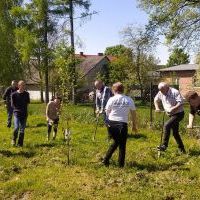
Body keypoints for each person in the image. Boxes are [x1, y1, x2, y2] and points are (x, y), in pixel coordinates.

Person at [102, 82, 137, 167]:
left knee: (116, 142)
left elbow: (107, 112)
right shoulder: (129, 99)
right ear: (123, 89)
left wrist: (107, 123)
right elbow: (133, 114)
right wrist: (134, 125)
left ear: (114, 90)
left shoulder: (111, 99)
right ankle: (120, 165)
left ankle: (106, 160)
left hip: (111, 124)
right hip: (122, 124)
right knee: (122, 144)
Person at [154, 82, 186, 153]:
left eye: (163, 90)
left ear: (167, 87)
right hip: (171, 115)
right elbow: (156, 100)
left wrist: (173, 108)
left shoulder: (175, 92)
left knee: (167, 125)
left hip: (179, 114)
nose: (161, 93)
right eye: (160, 91)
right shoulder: (161, 92)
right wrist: (157, 108)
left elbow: (181, 102)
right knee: (175, 133)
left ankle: (164, 145)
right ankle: (182, 150)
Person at [11, 80, 30, 147]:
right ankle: (13, 140)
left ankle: (20, 144)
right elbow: (12, 105)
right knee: (16, 128)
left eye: (24, 85)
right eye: (22, 85)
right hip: (17, 114)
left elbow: (27, 104)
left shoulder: (27, 94)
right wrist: (17, 110)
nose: (24, 86)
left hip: (24, 114)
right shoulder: (14, 94)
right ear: (19, 86)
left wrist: (26, 112)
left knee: (22, 129)